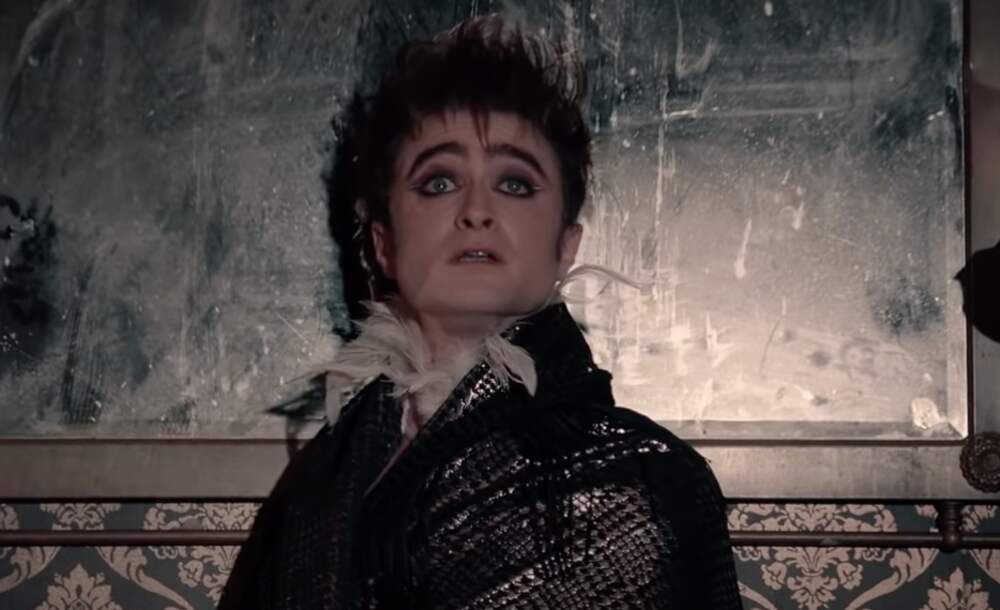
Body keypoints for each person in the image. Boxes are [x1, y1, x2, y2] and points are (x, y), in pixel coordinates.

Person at [219, 15, 742, 610]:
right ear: (384, 244)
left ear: (565, 246)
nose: (476, 210)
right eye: (439, 182)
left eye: (514, 184)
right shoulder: (326, 476)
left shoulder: (641, 480)